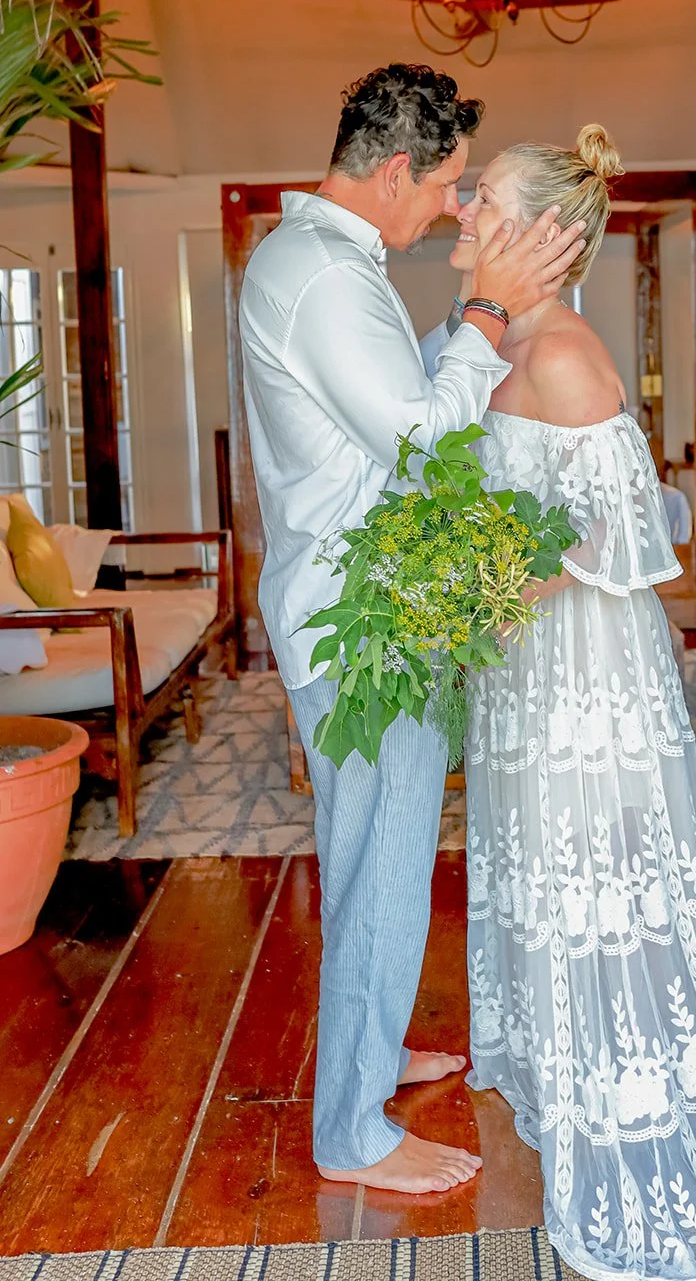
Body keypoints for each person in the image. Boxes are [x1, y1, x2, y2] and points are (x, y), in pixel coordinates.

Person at [447, 124, 696, 1279]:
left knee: (587, 865)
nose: (463, 212)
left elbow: (630, 533)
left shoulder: (567, 356)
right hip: (519, 662)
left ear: (543, 232)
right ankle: (549, 1056)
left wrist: (497, 579)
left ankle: (622, 1083)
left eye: (484, 199)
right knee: (532, 854)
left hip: (580, 667)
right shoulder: (493, 341)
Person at [238, 63, 585, 1195]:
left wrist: (467, 323)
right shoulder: (322, 276)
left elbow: (394, 403)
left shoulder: (326, 261)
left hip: (359, 603)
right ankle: (351, 1130)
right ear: (394, 169)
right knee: (382, 870)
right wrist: (488, 311)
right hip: (364, 627)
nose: (450, 206)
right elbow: (422, 441)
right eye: (444, 184)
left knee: (369, 859)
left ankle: (371, 1054)